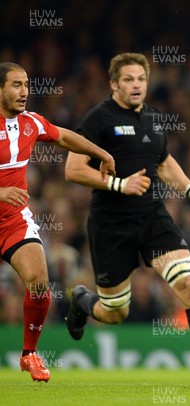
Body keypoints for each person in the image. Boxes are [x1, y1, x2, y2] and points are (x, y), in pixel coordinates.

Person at [63, 53, 190, 376]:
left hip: (152, 217)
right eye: (128, 79)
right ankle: (82, 301)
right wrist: (119, 184)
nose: (136, 85)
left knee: (189, 286)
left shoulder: (154, 118)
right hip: (111, 226)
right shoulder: (97, 119)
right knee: (115, 312)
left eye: (141, 79)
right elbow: (73, 169)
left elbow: (164, 163)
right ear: (113, 83)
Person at [0, 62, 115, 382]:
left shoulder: (31, 123)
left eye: (26, 84)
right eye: (15, 85)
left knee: (39, 282)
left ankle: (29, 354)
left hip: (12, 221)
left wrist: (101, 153)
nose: (24, 91)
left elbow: (64, 137)